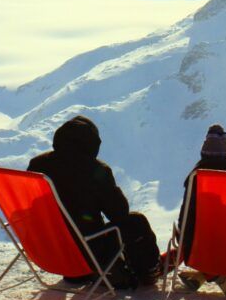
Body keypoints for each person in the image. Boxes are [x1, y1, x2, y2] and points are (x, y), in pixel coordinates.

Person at [27, 115, 161, 287]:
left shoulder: (37, 165)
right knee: (136, 221)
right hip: (87, 251)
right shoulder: (97, 170)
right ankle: (148, 272)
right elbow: (119, 213)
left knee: (73, 225)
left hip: (46, 249)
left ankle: (79, 274)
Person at [175, 124, 226, 298]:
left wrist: (182, 237)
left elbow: (185, 220)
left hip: (201, 248)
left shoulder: (197, 176)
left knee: (200, 232)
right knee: (222, 232)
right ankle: (215, 277)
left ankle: (212, 276)